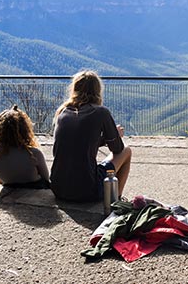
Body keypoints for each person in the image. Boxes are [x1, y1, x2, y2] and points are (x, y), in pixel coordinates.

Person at [50, 70, 132, 202]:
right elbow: (117, 148)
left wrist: (101, 140)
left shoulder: (62, 111)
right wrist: (116, 135)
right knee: (126, 150)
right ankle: (117, 200)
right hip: (86, 190)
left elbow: (74, 143)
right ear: (97, 90)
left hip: (58, 188)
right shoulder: (101, 112)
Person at [0, 105, 50, 191]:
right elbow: (46, 180)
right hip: (37, 190)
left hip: (9, 190)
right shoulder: (34, 153)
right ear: (25, 130)